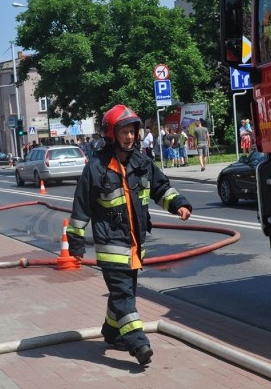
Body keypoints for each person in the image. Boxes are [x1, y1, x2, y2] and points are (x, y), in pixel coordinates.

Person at [66, 105, 192, 365]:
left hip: (135, 246)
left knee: (122, 296)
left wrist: (178, 203)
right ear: (112, 134)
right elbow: (81, 209)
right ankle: (138, 343)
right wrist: (76, 245)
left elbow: (161, 188)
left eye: (133, 131)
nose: (130, 136)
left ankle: (112, 332)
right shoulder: (96, 169)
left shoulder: (142, 163)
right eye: (124, 131)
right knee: (125, 296)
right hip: (111, 247)